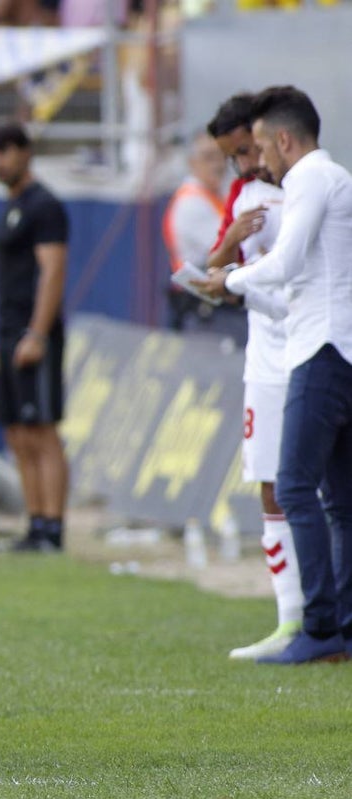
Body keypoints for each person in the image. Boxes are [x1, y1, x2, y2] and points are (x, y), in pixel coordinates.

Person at [194, 86, 352, 665]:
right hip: (335, 348)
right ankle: (338, 627)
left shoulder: (310, 179)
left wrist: (227, 280)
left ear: (284, 140)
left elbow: (284, 264)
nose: (256, 160)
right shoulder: (336, 179)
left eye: (259, 146)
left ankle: (315, 628)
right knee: (337, 499)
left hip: (317, 349)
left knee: (291, 489)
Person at [203, 93, 301, 661]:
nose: (245, 164)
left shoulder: (315, 184)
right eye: (235, 156)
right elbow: (213, 268)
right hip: (266, 356)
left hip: (320, 347)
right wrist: (234, 238)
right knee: (270, 482)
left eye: (247, 149)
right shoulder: (245, 195)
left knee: (319, 487)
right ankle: (291, 619)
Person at [0, 121, 69, 553]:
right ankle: (34, 526)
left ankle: (53, 528)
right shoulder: (12, 206)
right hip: (10, 332)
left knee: (42, 431)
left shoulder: (44, 206)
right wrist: (5, 342)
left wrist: (37, 332)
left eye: (5, 152)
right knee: (16, 431)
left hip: (36, 333)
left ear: (25, 153)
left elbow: (52, 272)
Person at [161, 133, 234, 336]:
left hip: (216, 304)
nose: (218, 164)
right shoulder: (191, 203)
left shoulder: (216, 195)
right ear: (192, 162)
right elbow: (228, 249)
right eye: (209, 157)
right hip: (204, 311)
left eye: (222, 156)